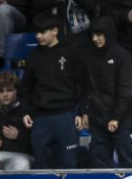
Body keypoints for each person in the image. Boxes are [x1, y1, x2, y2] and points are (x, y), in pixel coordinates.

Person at [19, 13, 83, 169]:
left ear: (55, 31)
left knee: (69, 162)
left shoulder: (71, 52)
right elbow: (25, 88)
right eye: (36, 33)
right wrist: (25, 111)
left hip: (65, 115)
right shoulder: (33, 56)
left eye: (42, 32)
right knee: (41, 162)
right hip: (41, 117)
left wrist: (81, 112)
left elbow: (83, 84)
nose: (38, 36)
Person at [81, 16, 132, 168]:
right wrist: (84, 110)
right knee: (99, 166)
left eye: (99, 34)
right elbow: (86, 86)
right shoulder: (88, 56)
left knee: (128, 164)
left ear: (109, 33)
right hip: (97, 121)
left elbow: (127, 90)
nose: (95, 39)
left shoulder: (122, 55)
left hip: (121, 121)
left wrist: (116, 118)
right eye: (93, 35)